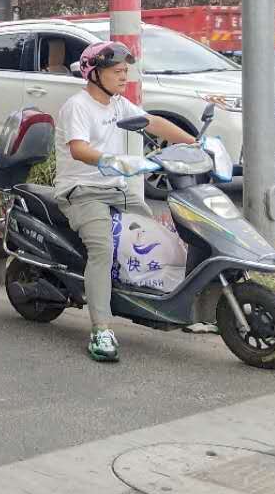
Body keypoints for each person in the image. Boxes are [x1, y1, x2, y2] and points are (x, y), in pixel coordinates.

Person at [55, 41, 194, 363]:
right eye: (117, 71)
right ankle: (101, 329)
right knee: (102, 249)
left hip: (115, 188)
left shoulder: (117, 104)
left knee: (157, 238)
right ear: (94, 73)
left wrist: (194, 142)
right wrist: (111, 160)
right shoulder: (78, 106)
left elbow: (152, 122)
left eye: (125, 71)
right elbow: (78, 148)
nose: (124, 77)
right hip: (82, 190)